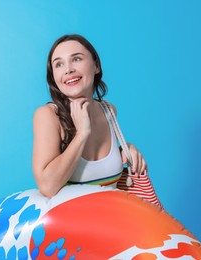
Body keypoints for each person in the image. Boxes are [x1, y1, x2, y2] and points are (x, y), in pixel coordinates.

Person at [32, 34, 147, 198]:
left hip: (113, 220)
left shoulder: (109, 111)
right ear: (54, 76)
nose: (68, 69)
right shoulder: (48, 116)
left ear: (96, 66)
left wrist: (125, 148)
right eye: (58, 64)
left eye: (76, 59)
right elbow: (47, 186)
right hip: (69, 223)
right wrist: (82, 134)